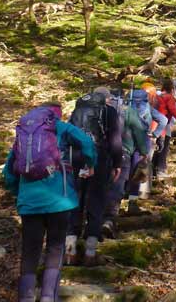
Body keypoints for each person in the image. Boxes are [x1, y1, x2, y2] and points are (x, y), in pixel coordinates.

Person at [3, 101, 96, 302]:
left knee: (30, 251)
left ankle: (26, 297)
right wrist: (90, 164)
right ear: (57, 113)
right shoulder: (60, 127)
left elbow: (8, 172)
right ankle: (48, 297)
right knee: (55, 248)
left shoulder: (25, 133)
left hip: (29, 202)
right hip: (59, 201)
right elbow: (87, 143)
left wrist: (18, 192)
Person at [65, 86, 122, 266]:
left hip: (75, 158)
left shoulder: (78, 109)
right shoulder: (109, 112)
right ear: (106, 98)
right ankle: (90, 253)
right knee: (96, 202)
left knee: (74, 202)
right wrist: (117, 163)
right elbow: (115, 139)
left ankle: (70, 252)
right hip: (99, 159)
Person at [102, 88, 149, 238]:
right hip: (123, 152)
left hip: (99, 152)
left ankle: (91, 223)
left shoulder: (97, 109)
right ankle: (109, 219)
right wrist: (143, 151)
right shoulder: (127, 110)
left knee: (99, 185)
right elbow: (139, 131)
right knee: (117, 185)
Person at [152, 77, 176, 179]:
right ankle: (160, 170)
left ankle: (153, 169)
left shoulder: (157, 96)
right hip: (164, 126)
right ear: (172, 89)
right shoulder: (169, 97)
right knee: (164, 148)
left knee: (156, 147)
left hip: (154, 125)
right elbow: (174, 111)